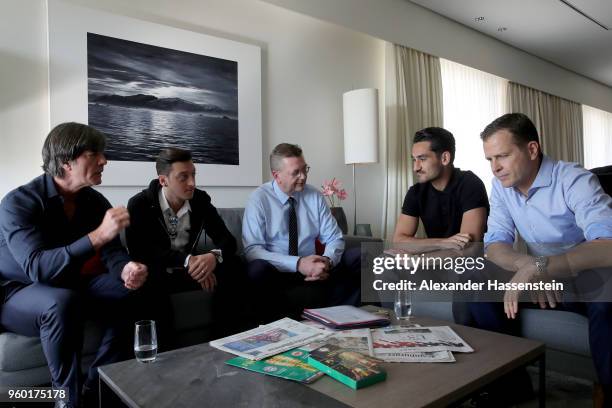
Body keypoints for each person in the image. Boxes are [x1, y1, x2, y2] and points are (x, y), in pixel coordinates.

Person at [0, 122, 148, 408]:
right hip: (18, 291)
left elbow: (113, 253)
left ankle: (98, 385)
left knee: (132, 290)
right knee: (60, 301)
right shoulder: (18, 202)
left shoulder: (93, 201)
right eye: (95, 153)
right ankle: (66, 400)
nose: (104, 160)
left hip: (70, 284)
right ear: (67, 161)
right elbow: (38, 268)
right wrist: (96, 236)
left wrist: (126, 269)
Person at [473, 113, 612, 407]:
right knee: (476, 283)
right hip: (539, 273)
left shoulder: (574, 180)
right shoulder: (501, 186)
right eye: (489, 160)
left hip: (586, 275)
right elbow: (495, 244)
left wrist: (542, 266)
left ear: (532, 149)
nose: (495, 168)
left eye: (503, 156)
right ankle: (511, 384)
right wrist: (529, 267)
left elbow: (607, 246)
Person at [126, 147, 247, 339]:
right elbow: (142, 253)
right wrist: (189, 261)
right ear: (163, 180)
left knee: (236, 265)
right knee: (146, 280)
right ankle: (165, 355)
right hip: (160, 273)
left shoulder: (200, 200)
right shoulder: (140, 204)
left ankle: (227, 340)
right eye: (183, 177)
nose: (192, 183)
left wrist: (212, 258)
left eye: (193, 175)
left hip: (188, 272)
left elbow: (228, 241)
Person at [242, 143, 360, 323]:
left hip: (314, 274)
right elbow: (253, 251)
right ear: (277, 175)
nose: (303, 177)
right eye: (295, 172)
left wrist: (326, 262)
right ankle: (273, 330)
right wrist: (297, 264)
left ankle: (351, 323)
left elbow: (334, 238)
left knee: (360, 256)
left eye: (305, 169)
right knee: (256, 269)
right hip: (278, 273)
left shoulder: (314, 196)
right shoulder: (259, 199)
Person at [393, 127, 489, 250]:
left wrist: (420, 260)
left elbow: (468, 250)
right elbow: (399, 241)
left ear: (444, 158)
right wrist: (441, 243)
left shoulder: (470, 184)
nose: (415, 168)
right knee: (384, 260)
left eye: (422, 159)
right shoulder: (415, 192)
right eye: (414, 160)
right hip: (434, 260)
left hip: (466, 266)